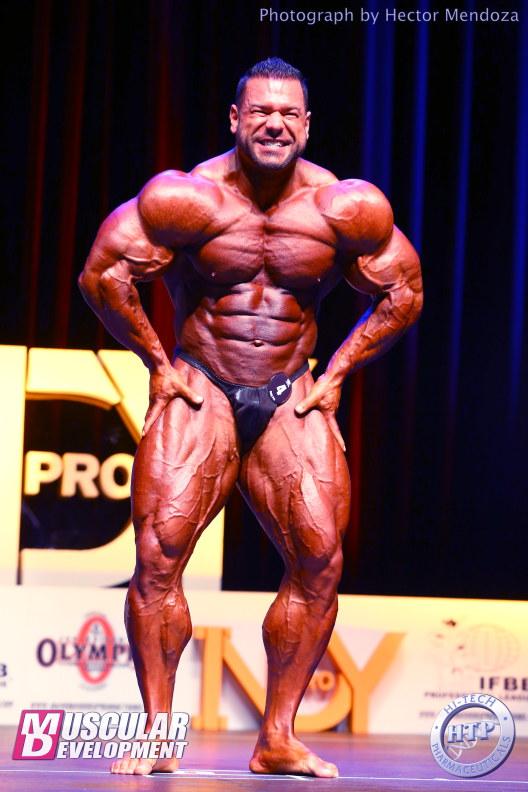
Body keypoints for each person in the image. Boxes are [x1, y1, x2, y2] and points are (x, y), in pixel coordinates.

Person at [79, 57, 422, 777]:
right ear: (235, 118)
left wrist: (336, 375)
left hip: (289, 392)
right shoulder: (188, 198)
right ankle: (156, 732)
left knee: (320, 561)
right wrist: (157, 362)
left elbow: (405, 292)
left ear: (307, 125)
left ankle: (278, 737)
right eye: (261, 111)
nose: (274, 123)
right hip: (202, 384)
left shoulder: (343, 207)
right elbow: (102, 274)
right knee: (157, 558)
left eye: (288, 113)